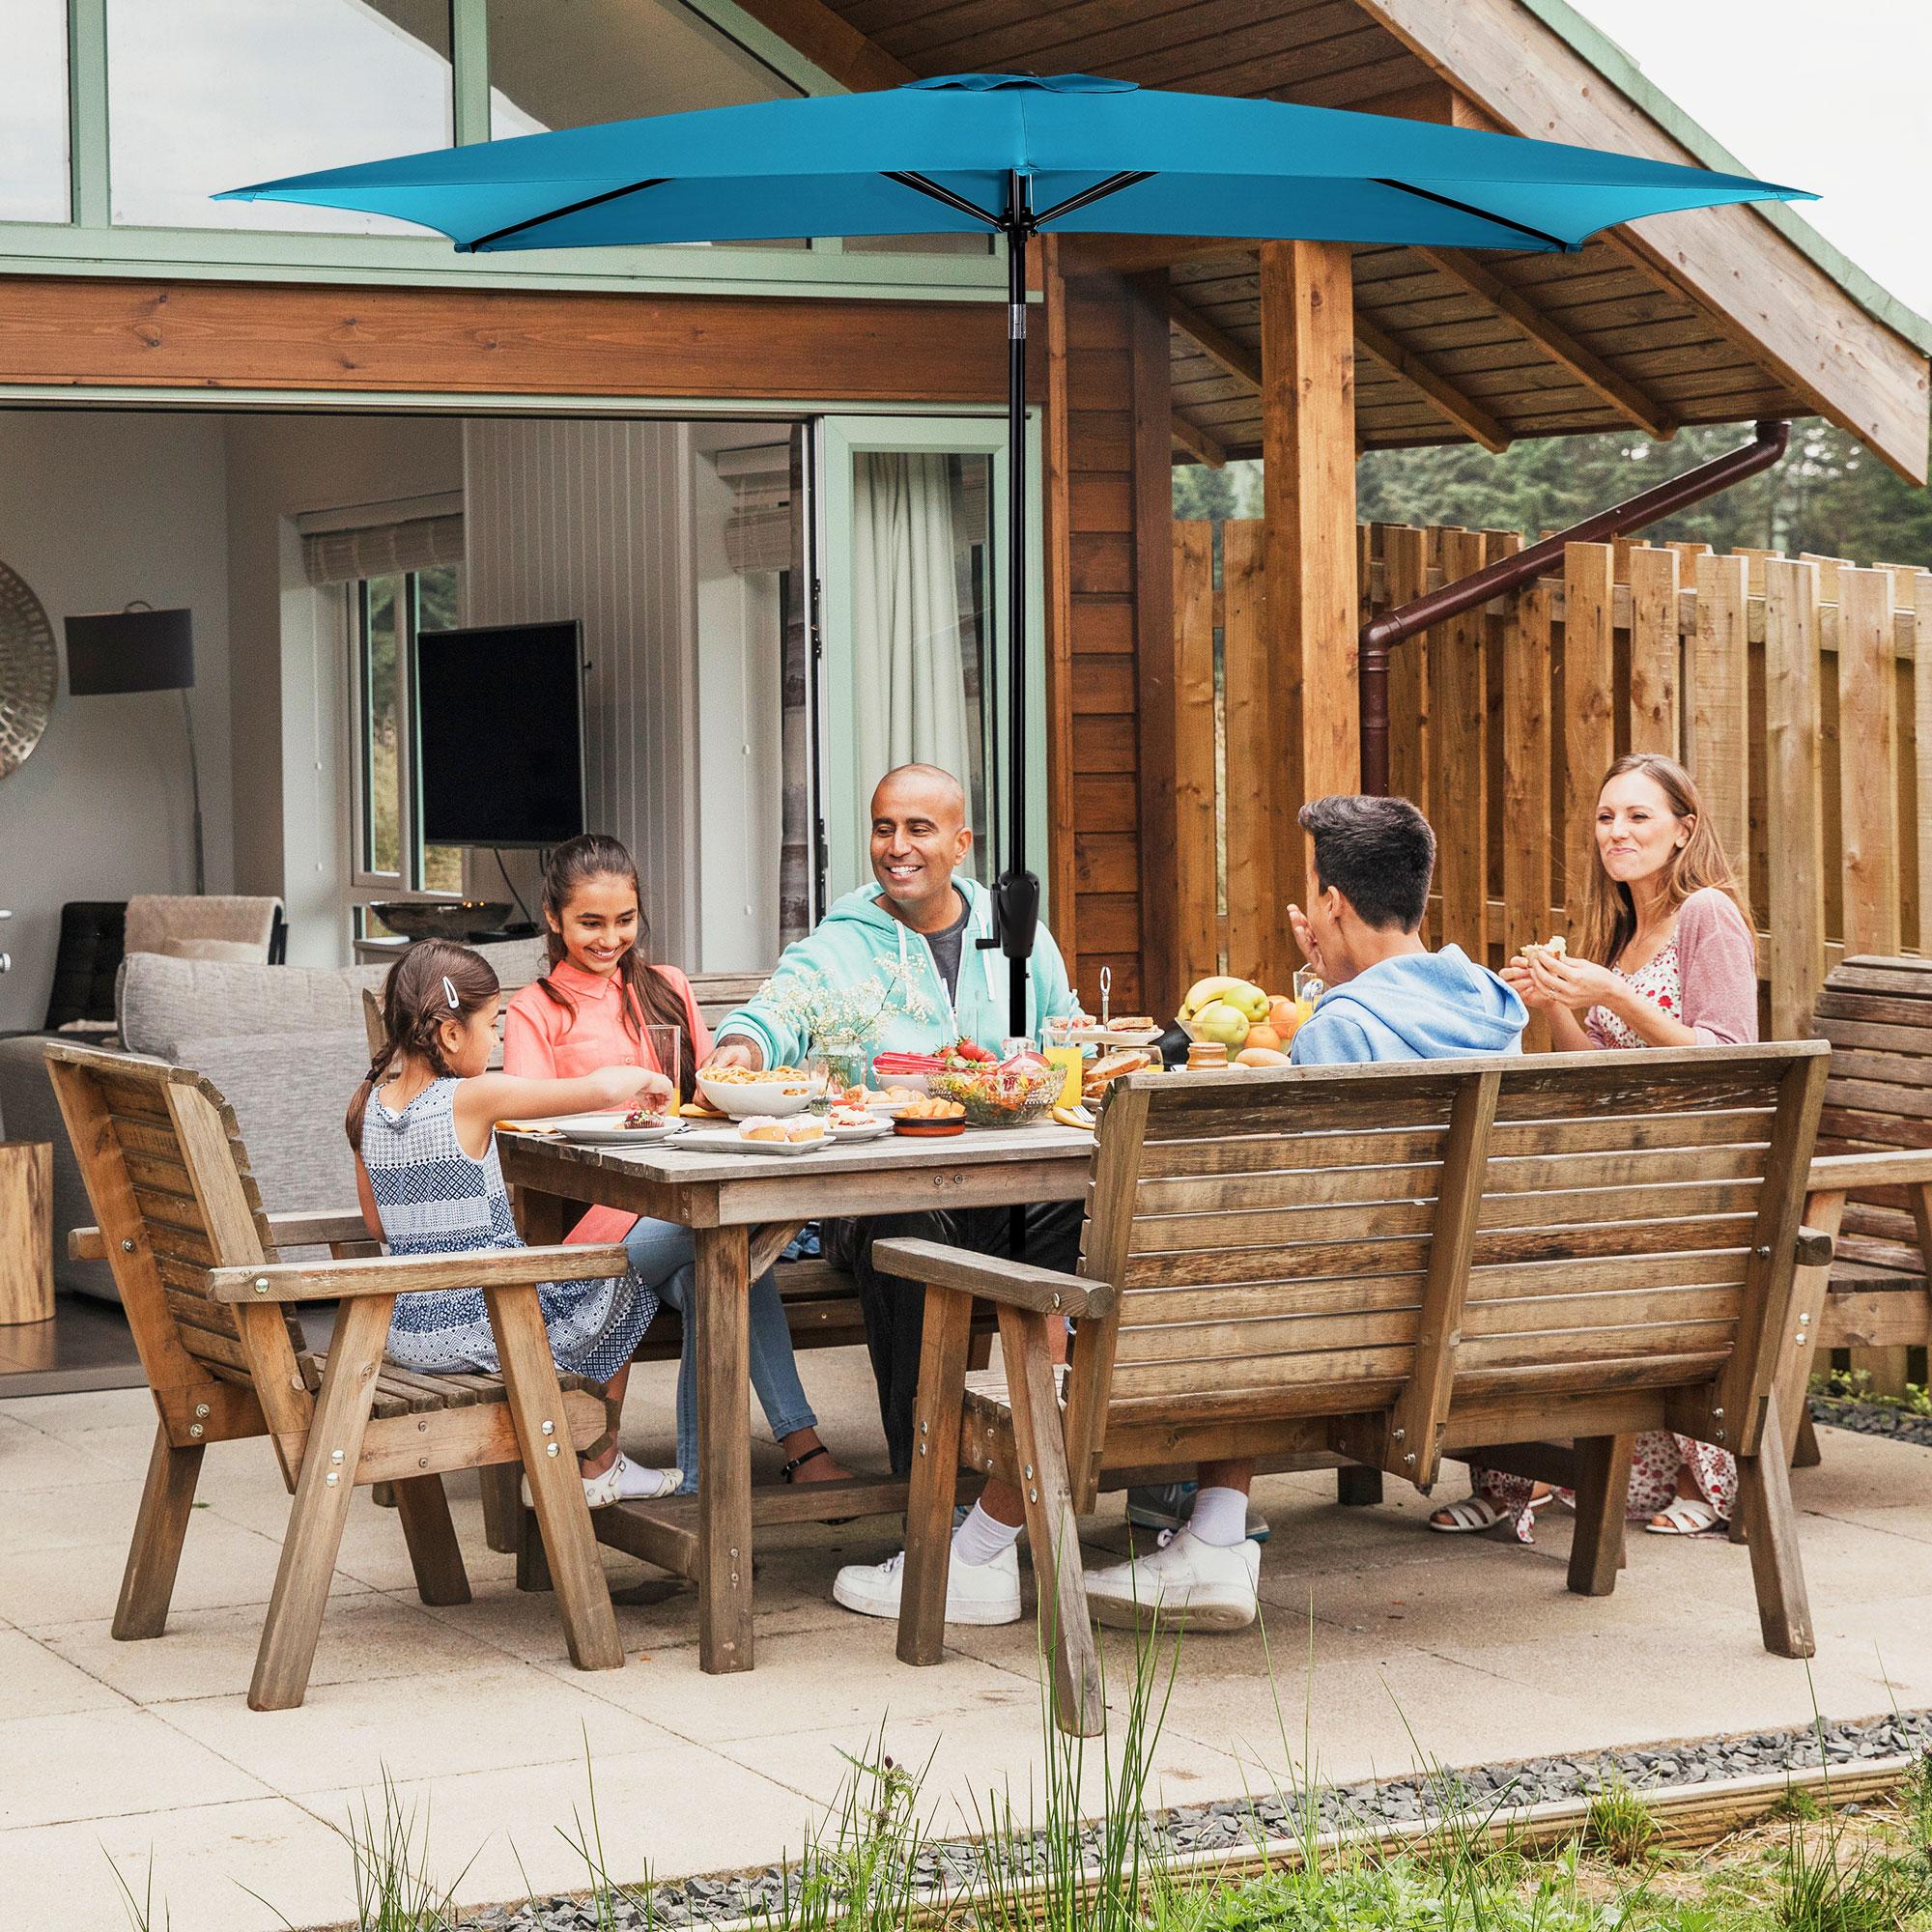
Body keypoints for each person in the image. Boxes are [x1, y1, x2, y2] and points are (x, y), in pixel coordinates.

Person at [1082, 794, 1529, 1631]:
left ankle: (1145, 1531)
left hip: (1339, 1337)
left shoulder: (1345, 1028)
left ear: (1331, 902)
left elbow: (1301, 1224)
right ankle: (1208, 1528)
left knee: (1164, 1266)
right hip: (1478, 1319)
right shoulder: (1493, 1008)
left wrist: (1329, 1009)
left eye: (1314, 892)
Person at [706, 763, 1082, 1628]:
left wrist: (1044, 1062)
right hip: (881, 1189)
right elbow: (781, 1005)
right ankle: (937, 1507)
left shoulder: (1016, 929)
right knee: (906, 1236)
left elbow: (1059, 1033)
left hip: (1006, 1188)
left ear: (961, 842)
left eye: (919, 829)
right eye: (884, 828)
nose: (897, 847)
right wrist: (741, 1044)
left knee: (1085, 1210)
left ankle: (1077, 1454)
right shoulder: (847, 938)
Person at [1431, 753, 1757, 1540]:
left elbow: (1730, 1058)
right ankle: (1520, 1474)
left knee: (1516, 1255)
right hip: (1615, 1164)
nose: (1617, 831)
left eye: (1638, 816)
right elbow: (1597, 1064)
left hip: (1692, 1175)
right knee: (1479, 1241)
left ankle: (1669, 1475)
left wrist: (1609, 991)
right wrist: (1552, 1003)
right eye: (1607, 817)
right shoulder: (1626, 925)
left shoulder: (1707, 913)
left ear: (1684, 830)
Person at [504, 833, 849, 1497]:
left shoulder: (667, 989)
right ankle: (800, 1451)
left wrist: (745, 1077)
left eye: (625, 921)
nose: (610, 939)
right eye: (590, 924)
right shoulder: (536, 1008)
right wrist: (610, 1088)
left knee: (721, 1270)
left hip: (683, 1210)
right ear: (553, 917)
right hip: (604, 1233)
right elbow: (522, 1115)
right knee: (731, 1239)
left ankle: (704, 1481)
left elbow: (707, 1093)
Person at [345, 939, 679, 1507]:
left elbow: (378, 1226)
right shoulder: (471, 1097)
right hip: (489, 1326)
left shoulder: (369, 1106)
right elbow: (591, 1091)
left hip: (408, 1334)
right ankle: (599, 1461)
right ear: (451, 1034)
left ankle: (596, 1459)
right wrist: (653, 1078)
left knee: (620, 1263)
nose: (497, 1038)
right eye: (492, 1024)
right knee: (648, 1261)